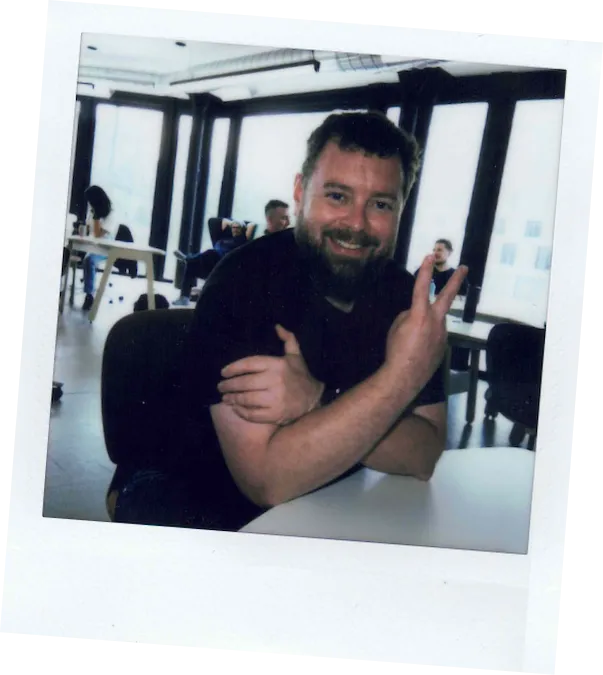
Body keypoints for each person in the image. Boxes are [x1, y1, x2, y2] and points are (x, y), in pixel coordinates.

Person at [111, 111, 468, 531]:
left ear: (401, 208)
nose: (356, 223)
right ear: (300, 192)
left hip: (321, 493)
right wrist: (398, 379)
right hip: (188, 488)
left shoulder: (403, 298)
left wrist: (317, 400)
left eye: (380, 204)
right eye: (337, 195)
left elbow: (424, 455)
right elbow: (267, 480)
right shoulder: (245, 281)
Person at [172, 218, 254, 306]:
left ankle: (187, 258)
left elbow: (252, 225)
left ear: (242, 229)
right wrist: (232, 223)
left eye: (238, 228)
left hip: (223, 262)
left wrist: (241, 225)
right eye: (233, 228)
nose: (235, 229)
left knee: (209, 253)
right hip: (211, 263)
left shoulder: (243, 240)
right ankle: (184, 298)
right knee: (192, 265)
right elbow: (222, 221)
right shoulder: (224, 238)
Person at [81, 185, 115, 311]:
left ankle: (89, 295)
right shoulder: (92, 213)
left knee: (89, 261)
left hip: (105, 247)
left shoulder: (110, 214)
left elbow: (98, 234)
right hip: (92, 245)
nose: (89, 205)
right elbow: (90, 232)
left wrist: (95, 218)